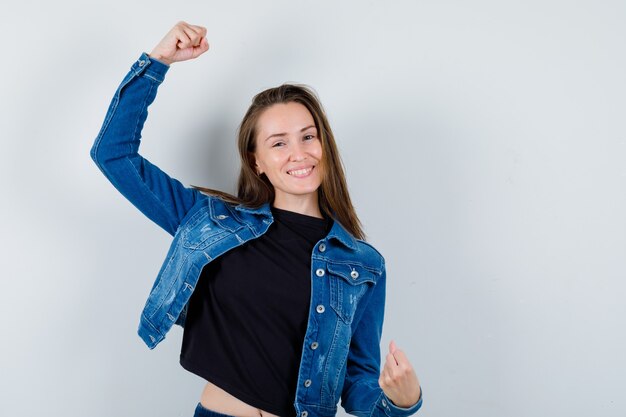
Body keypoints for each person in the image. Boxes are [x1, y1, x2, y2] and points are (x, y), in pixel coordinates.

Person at [91, 21, 422, 417]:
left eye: (308, 136)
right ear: (257, 161)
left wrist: (400, 402)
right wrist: (158, 61)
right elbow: (113, 154)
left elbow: (357, 381)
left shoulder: (364, 264)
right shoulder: (211, 222)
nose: (298, 153)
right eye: (278, 143)